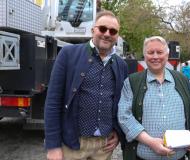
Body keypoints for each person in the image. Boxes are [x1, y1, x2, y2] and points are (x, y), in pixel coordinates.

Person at [44, 10, 128, 160]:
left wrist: (118, 132)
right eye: (102, 28)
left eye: (113, 31)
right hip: (73, 145)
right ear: (92, 30)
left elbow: (121, 103)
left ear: (117, 35)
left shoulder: (121, 64)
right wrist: (53, 146)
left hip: (104, 146)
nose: (107, 34)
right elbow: (53, 102)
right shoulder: (68, 54)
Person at [118, 36, 190, 160]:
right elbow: (124, 116)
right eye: (150, 52)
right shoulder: (131, 82)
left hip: (180, 156)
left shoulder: (183, 80)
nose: (155, 56)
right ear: (145, 56)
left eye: (160, 52)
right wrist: (150, 142)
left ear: (167, 55)